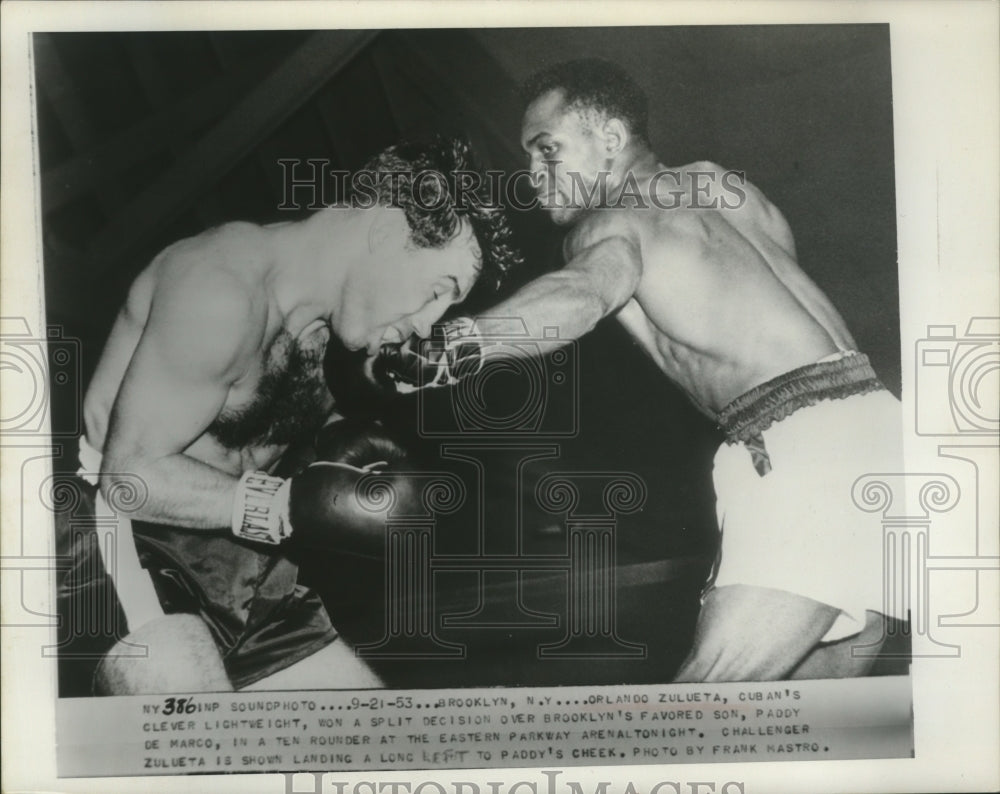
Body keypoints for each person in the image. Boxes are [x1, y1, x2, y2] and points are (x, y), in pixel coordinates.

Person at [375, 60, 908, 682]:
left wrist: (444, 351)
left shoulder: (611, 223)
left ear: (610, 137)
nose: (533, 174)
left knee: (702, 708)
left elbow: (584, 294)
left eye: (548, 150)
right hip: (880, 423)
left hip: (803, 448)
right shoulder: (723, 187)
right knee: (812, 713)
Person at [57, 137, 521, 695]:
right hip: (122, 531)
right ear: (384, 229)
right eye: (437, 291)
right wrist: (288, 507)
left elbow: (259, 424)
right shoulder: (220, 286)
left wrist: (339, 446)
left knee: (380, 736)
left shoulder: (341, 337)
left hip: (238, 551)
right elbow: (130, 478)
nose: (428, 323)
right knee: (204, 738)